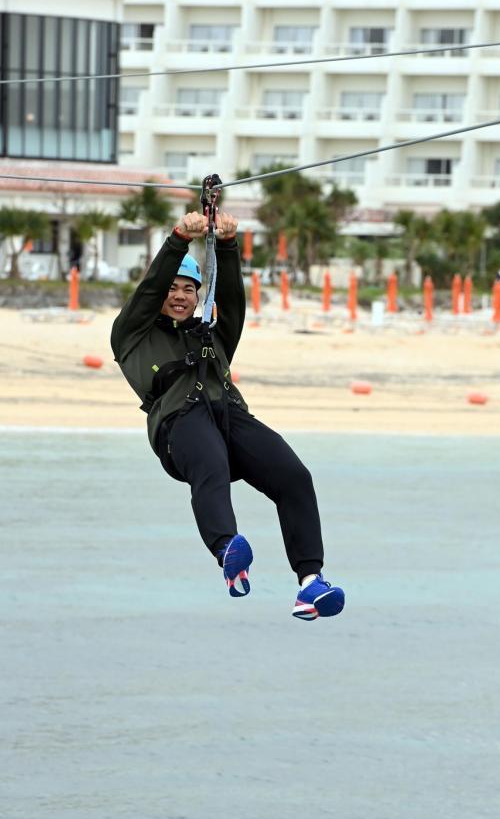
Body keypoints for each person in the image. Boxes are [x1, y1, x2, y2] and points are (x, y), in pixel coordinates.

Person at [111, 211, 345, 620]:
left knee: (294, 476)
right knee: (211, 467)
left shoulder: (212, 335)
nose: (180, 296)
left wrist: (229, 246)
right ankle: (227, 550)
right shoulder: (132, 335)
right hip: (179, 425)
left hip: (229, 417)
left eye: (189, 289)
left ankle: (310, 583)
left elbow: (232, 300)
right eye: (173, 288)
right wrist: (179, 239)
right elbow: (147, 292)